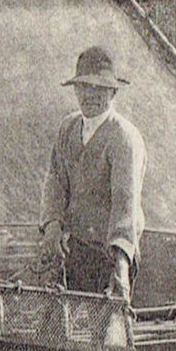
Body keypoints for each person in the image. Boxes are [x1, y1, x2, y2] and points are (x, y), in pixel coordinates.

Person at [38, 46, 146, 299]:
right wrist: (52, 227)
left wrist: (121, 263)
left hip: (113, 254)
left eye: (100, 88)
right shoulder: (69, 127)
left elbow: (125, 202)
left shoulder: (124, 137)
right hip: (78, 249)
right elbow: (55, 182)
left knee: (109, 329)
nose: (91, 95)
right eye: (84, 87)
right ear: (75, 89)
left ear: (113, 91)